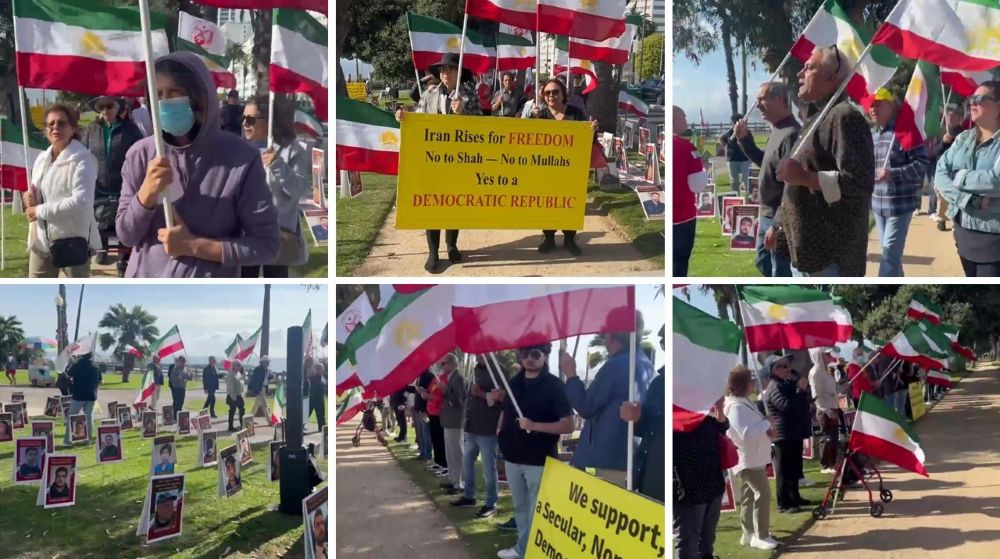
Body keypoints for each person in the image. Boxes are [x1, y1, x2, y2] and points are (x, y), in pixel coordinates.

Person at [116, 52, 280, 278]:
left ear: (200, 97)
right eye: (158, 94)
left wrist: (194, 246)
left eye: (175, 92)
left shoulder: (241, 158)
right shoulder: (140, 154)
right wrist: (146, 193)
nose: (165, 102)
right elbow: (126, 236)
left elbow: (267, 246)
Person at [774, 46, 875, 276]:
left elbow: (860, 183)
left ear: (831, 77)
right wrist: (779, 228)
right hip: (807, 256)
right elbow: (795, 184)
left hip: (832, 259)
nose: (800, 73)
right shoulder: (815, 119)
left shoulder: (844, 117)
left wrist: (803, 177)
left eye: (809, 68)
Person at [396, 52, 482, 273]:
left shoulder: (469, 96)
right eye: (442, 69)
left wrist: (463, 114)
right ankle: (433, 252)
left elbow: (481, 128)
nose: (445, 73)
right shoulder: (428, 94)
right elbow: (417, 122)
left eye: (450, 69)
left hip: (459, 161)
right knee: (431, 205)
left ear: (458, 73)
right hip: (432, 162)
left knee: (455, 204)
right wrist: (404, 117)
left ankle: (452, 245)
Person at [496, 343, 575, 559]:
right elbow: (505, 412)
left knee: (536, 510)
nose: (529, 358)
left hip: (539, 460)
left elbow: (568, 425)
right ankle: (524, 549)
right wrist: (500, 431)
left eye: (535, 354)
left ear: (545, 356)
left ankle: (529, 550)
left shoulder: (555, 385)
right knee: (520, 508)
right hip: (512, 456)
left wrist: (534, 426)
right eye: (524, 354)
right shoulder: (514, 383)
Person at [560, 313, 653, 488]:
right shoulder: (645, 363)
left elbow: (586, 406)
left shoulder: (615, 366)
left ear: (611, 335)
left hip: (612, 460)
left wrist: (571, 375)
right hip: (633, 457)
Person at [22, 104, 101, 278]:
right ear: (45, 130)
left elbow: (81, 202)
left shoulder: (83, 160)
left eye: (61, 123)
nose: (55, 127)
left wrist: (39, 210)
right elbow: (38, 194)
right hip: (41, 243)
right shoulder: (41, 159)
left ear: (73, 128)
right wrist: (29, 198)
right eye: (51, 124)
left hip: (72, 243)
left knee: (76, 290)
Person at [734, 82, 800, 277]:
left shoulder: (791, 133)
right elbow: (766, 163)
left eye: (761, 99)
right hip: (767, 214)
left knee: (779, 270)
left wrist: (778, 224)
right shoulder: (778, 130)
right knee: (763, 262)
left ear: (779, 99)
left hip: (779, 216)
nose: (757, 105)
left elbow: (792, 185)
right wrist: (744, 139)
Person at [526, 78, 598, 256]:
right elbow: (526, 139)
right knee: (547, 204)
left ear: (563, 94)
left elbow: (589, 140)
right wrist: (531, 119)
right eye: (547, 93)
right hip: (546, 170)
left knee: (570, 202)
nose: (551, 95)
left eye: (555, 92)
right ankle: (548, 237)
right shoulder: (541, 115)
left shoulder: (575, 113)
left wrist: (593, 129)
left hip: (571, 169)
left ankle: (569, 238)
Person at [240, 96, 311, 278]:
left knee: (277, 279)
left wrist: (278, 166)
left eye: (251, 119)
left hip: (279, 235)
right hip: (245, 235)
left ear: (268, 120)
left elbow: (298, 190)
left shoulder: (292, 150)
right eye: (243, 117)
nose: (245, 124)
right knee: (245, 281)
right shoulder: (239, 149)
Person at [935, 81, 1000, 277]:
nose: (973, 103)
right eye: (972, 98)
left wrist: (959, 176)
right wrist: (968, 199)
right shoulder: (963, 138)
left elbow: (996, 181)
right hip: (963, 232)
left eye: (980, 99)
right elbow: (940, 174)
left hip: (993, 238)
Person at [868, 88, 930, 277]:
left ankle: (882, 287)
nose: (873, 108)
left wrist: (892, 174)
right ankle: (898, 284)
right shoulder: (872, 134)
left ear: (891, 106)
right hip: (878, 205)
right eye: (871, 105)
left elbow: (922, 164)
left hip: (899, 205)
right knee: (890, 255)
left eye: (878, 104)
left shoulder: (906, 131)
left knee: (889, 256)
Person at [81, 95, 144, 268]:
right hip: (98, 188)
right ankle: (103, 250)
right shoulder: (91, 130)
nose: (105, 110)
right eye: (101, 107)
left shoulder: (130, 130)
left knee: (124, 225)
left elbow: (140, 155)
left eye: (109, 106)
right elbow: (82, 154)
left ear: (117, 108)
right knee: (101, 224)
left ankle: (124, 262)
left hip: (124, 188)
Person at [723, 366, 779, 551]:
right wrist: (766, 424)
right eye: (750, 380)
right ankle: (761, 535)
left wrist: (766, 429)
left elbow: (754, 427)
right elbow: (745, 434)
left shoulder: (744, 402)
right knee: (763, 494)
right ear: (742, 385)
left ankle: (748, 533)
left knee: (748, 496)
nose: (754, 383)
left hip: (754, 458)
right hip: (747, 460)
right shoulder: (736, 407)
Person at [674, 399, 728, 559]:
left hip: (713, 485)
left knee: (707, 538)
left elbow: (723, 426)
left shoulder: (705, 419)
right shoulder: (672, 425)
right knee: (688, 542)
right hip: (689, 490)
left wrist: (720, 410)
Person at [451, 355, 503, 517]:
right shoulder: (475, 370)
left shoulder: (498, 370)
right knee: (467, 463)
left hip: (487, 428)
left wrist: (480, 393)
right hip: (472, 426)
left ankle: (491, 503)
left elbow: (502, 398)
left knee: (489, 469)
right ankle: (469, 496)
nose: (478, 354)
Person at [619, 325, 665, 502]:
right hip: (654, 477)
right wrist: (636, 417)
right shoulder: (659, 383)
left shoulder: (697, 382)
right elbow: (646, 427)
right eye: (664, 343)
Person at [763, 354, 811, 513]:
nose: (787, 369)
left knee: (795, 469)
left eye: (787, 366)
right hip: (783, 434)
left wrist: (799, 387)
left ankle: (795, 497)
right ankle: (784, 503)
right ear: (773, 370)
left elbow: (800, 402)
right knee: (784, 471)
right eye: (783, 366)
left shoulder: (785, 384)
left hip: (793, 432)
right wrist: (800, 391)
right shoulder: (775, 387)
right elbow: (786, 406)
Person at [673, 106, 709, 276]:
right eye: (684, 118)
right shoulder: (687, 148)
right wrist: (704, 169)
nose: (686, 121)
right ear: (674, 121)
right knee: (679, 263)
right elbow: (697, 186)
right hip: (683, 216)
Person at [437, 353, 468, 495]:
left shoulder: (459, 378)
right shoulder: (453, 378)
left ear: (451, 363)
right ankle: (453, 479)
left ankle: (459, 483)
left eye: (443, 363)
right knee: (450, 453)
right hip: (449, 421)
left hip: (455, 421)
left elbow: (457, 401)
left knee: (456, 453)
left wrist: (445, 390)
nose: (441, 366)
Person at [932, 107, 965, 231]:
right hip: (943, 170)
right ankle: (942, 218)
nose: (949, 119)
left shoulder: (964, 133)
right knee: (942, 195)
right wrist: (943, 142)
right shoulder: (941, 132)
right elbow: (934, 151)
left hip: (958, 169)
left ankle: (956, 221)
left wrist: (956, 142)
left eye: (952, 117)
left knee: (956, 194)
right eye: (947, 117)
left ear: (959, 118)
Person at [808, 349, 840, 475]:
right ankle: (825, 464)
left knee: (834, 437)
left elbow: (831, 390)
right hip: (825, 409)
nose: (829, 356)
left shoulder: (825, 371)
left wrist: (841, 389)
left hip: (833, 406)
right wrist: (827, 410)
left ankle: (833, 462)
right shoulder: (816, 372)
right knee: (827, 437)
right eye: (827, 354)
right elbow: (816, 396)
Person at [418, 364, 448, 477]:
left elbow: (445, 397)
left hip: (439, 413)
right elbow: (432, 391)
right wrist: (424, 391)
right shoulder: (436, 378)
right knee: (435, 439)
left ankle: (445, 464)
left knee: (441, 440)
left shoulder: (445, 379)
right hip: (432, 412)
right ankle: (438, 462)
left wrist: (429, 397)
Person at [63, 351, 99, 445]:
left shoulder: (77, 365)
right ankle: (88, 440)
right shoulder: (96, 366)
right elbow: (100, 380)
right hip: (91, 395)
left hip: (78, 395)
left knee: (72, 417)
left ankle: (68, 441)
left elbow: (68, 375)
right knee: (89, 418)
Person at [721, 114, 752, 194]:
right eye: (732, 122)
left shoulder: (747, 132)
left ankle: (748, 197)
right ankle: (736, 197)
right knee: (734, 181)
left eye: (734, 122)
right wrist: (724, 146)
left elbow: (752, 145)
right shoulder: (728, 133)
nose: (732, 124)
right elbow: (723, 142)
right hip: (732, 160)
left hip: (745, 159)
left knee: (746, 180)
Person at [411, 369, 435, 464]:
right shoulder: (420, 377)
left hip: (425, 410)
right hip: (419, 409)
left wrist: (424, 390)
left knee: (426, 434)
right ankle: (423, 453)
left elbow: (432, 392)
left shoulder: (429, 376)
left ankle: (428, 455)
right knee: (421, 433)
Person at [227, 360, 247, 432]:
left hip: (239, 395)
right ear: (234, 366)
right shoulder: (231, 374)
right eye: (238, 365)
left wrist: (243, 377)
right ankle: (230, 427)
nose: (240, 367)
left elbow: (240, 382)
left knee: (242, 409)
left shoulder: (238, 373)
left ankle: (242, 424)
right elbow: (231, 386)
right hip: (233, 395)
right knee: (232, 411)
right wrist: (233, 397)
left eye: (240, 365)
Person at [308, 362, 327, 432]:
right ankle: (299, 427)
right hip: (313, 399)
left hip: (320, 399)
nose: (320, 370)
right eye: (319, 368)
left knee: (321, 415)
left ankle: (322, 430)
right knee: (307, 414)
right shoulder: (312, 377)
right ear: (316, 369)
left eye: (321, 368)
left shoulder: (322, 377)